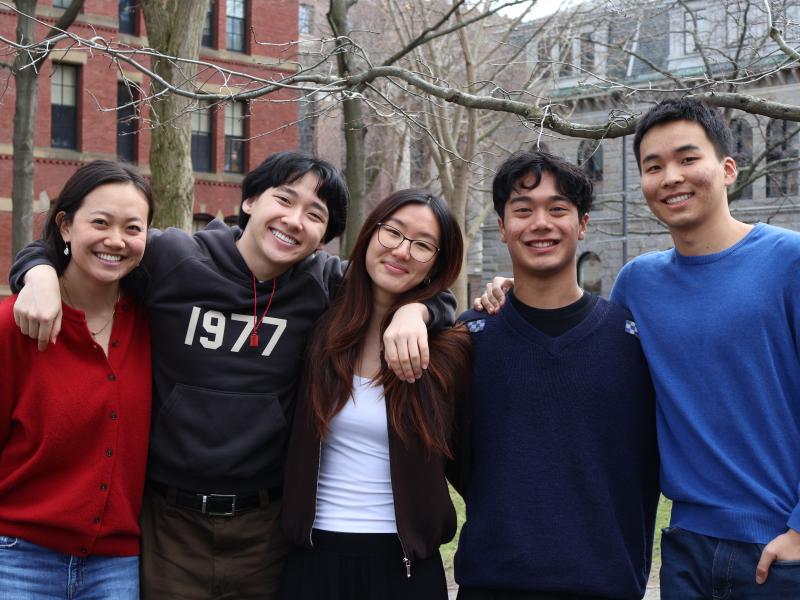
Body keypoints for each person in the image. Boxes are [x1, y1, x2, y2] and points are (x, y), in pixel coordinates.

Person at [8, 151, 456, 599]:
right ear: (250, 201)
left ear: (324, 237)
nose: (294, 220)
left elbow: (396, 281)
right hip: (169, 522)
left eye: (314, 214)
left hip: (264, 527)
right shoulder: (173, 258)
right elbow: (83, 246)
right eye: (284, 199)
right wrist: (37, 274)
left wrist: (419, 311)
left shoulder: (322, 283)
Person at [610, 98, 800, 599]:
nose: (671, 176)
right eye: (654, 166)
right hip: (686, 550)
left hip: (782, 547)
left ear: (727, 169)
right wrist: (506, 294)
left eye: (688, 158)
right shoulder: (637, 284)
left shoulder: (790, 261)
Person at [456, 150, 659, 599]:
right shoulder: (469, 340)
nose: (541, 223)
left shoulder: (635, 339)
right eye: (523, 210)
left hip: (607, 585)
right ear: (503, 226)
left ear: (582, 224)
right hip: (491, 585)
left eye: (558, 209)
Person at [280, 189, 471, 600]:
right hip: (311, 560)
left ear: (435, 264)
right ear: (370, 235)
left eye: (422, 245)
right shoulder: (315, 322)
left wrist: (419, 310)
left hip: (404, 568)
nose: (402, 251)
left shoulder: (447, 351)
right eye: (393, 233)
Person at [0, 160, 153, 598]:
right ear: (65, 226)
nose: (115, 241)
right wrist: (37, 270)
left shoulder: (154, 322)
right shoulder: (17, 325)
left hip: (117, 565)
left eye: (132, 228)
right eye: (100, 223)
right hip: (17, 558)